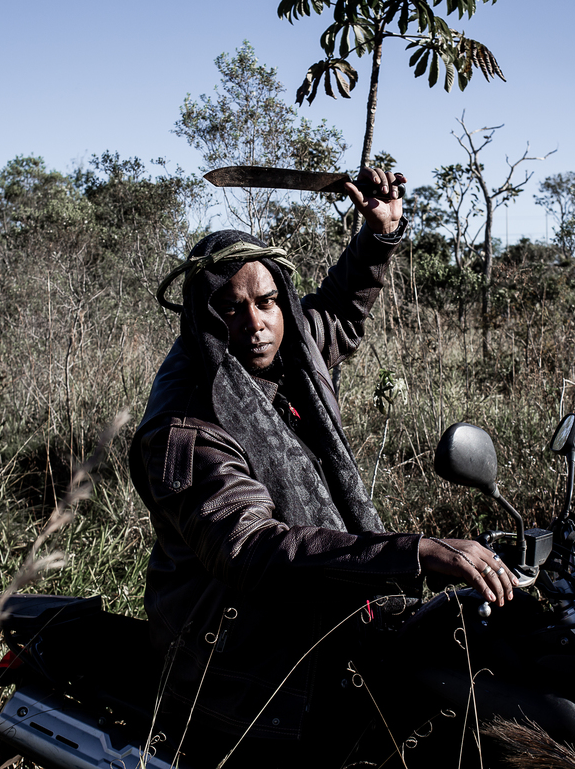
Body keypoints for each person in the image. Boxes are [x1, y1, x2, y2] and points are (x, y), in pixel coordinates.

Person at [128, 165, 514, 766]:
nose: (254, 324)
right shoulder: (186, 424)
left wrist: (379, 234)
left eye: (266, 303)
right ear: (204, 320)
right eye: (231, 310)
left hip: (316, 615)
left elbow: (336, 311)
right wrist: (413, 552)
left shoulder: (289, 357)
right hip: (239, 659)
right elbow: (251, 548)